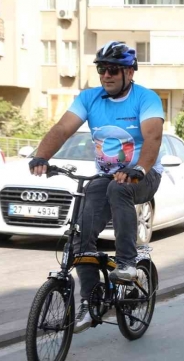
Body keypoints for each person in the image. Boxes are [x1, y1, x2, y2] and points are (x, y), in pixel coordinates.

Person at [28, 41, 164, 334]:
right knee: (81, 234)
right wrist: (41, 156)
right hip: (106, 177)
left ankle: (127, 261)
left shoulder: (146, 98)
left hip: (144, 174)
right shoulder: (90, 98)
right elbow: (63, 129)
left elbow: (152, 138)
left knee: (119, 189)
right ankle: (90, 303)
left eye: (113, 69)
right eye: (102, 69)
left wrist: (138, 169)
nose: (106, 75)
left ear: (130, 72)